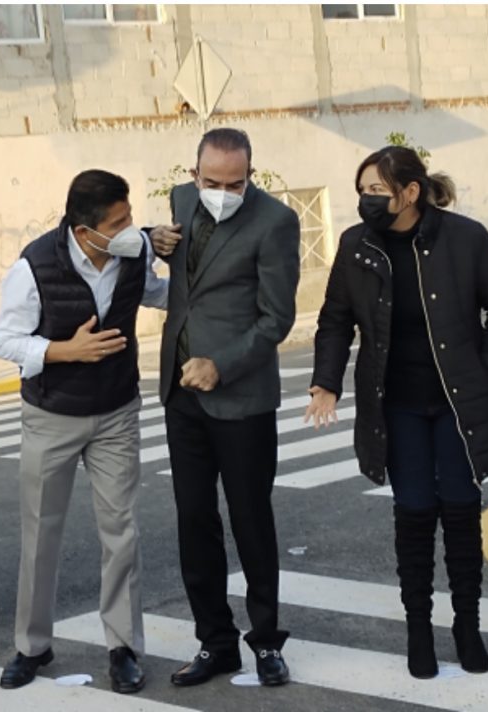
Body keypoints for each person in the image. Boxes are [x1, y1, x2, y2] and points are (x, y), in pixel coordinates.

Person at [304, 145, 488, 678]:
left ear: (409, 193)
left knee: (459, 508)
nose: (366, 201)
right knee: (413, 513)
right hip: (396, 403)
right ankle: (418, 630)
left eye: (376, 191)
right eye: (361, 191)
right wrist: (325, 383)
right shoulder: (356, 246)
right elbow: (336, 319)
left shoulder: (464, 238)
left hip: (457, 402)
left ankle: (467, 627)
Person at [0, 169, 169, 694]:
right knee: (41, 533)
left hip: (116, 411)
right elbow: (6, 339)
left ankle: (123, 647)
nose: (128, 228)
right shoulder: (34, 266)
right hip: (52, 415)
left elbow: (159, 293)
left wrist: (177, 251)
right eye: (118, 222)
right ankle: (32, 645)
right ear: (83, 227)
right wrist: (63, 350)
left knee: (122, 532)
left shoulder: (133, 251)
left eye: (130, 217)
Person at [148, 127, 301, 687]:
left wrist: (222, 364)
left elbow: (275, 318)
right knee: (194, 520)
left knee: (251, 520)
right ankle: (216, 641)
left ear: (250, 177)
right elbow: (183, 278)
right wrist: (155, 240)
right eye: (212, 181)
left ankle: (265, 642)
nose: (221, 191)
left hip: (241, 398)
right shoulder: (181, 201)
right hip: (180, 394)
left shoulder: (275, 222)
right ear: (194, 174)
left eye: (234, 183)